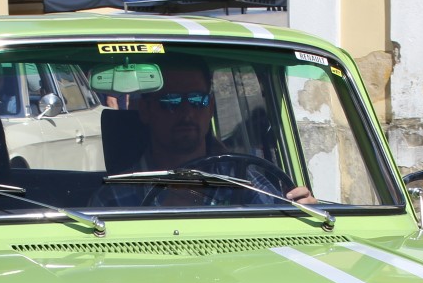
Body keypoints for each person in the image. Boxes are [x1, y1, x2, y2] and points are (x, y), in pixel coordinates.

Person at [131, 56, 314, 204]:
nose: (187, 113)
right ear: (146, 110)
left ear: (210, 107)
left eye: (197, 100)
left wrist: (304, 212)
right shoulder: (116, 192)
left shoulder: (240, 178)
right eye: (171, 101)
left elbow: (280, 222)